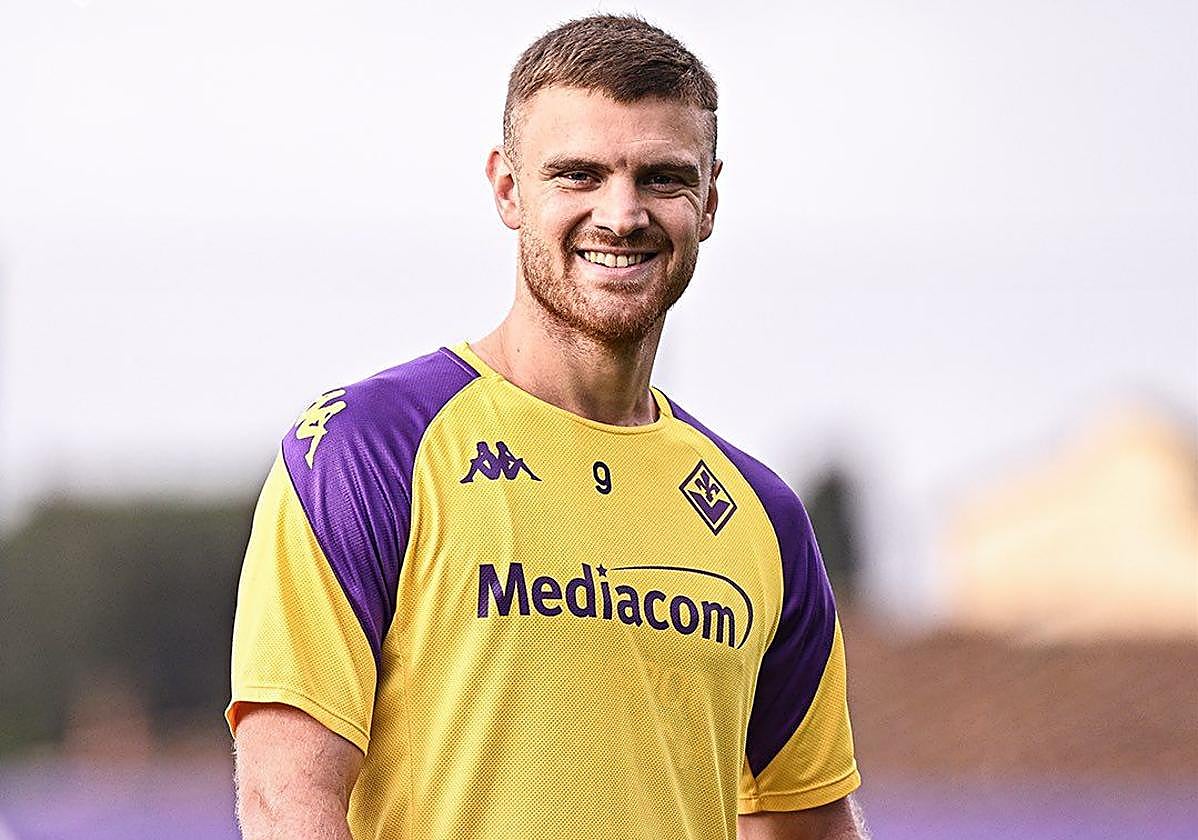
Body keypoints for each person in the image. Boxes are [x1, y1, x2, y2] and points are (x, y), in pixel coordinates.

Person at [227, 14, 866, 840]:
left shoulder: (763, 515)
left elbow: (809, 826)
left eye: (662, 177)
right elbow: (286, 803)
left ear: (708, 200)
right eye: (579, 174)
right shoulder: (367, 448)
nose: (622, 213)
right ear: (507, 189)